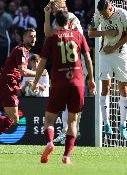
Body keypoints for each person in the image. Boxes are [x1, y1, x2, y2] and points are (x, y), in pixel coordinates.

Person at [32, 10, 96, 164]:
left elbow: (42, 63)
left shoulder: (52, 38)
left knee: (49, 119)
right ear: (69, 22)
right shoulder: (79, 36)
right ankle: (66, 156)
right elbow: (88, 58)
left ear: (56, 23)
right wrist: (91, 79)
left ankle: (49, 143)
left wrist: (35, 81)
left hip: (59, 83)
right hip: (77, 83)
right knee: (73, 122)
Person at [88, 0, 127, 139]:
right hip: (105, 54)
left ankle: (123, 125)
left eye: (105, 14)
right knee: (105, 87)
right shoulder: (98, 15)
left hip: (120, 54)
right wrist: (105, 33)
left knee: (124, 88)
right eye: (101, 14)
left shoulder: (123, 14)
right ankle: (106, 123)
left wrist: (114, 47)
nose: (103, 16)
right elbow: (91, 33)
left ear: (110, 8)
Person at [44, 0, 85, 144]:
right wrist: (46, 14)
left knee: (71, 100)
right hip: (67, 62)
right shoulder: (56, 21)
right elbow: (48, 34)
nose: (52, 9)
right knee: (67, 100)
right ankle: (67, 130)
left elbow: (74, 38)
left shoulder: (71, 17)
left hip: (75, 61)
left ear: (61, 7)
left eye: (53, 7)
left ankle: (70, 128)